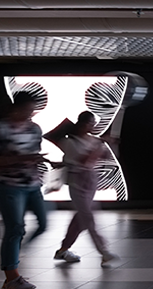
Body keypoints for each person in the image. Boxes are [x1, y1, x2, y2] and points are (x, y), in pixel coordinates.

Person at [0, 91, 48, 289]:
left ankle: (13, 253)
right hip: (7, 185)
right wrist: (17, 159)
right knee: (15, 227)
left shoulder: (34, 129)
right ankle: (11, 277)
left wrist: (39, 162)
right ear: (15, 108)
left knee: (43, 224)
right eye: (27, 110)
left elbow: (32, 155)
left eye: (32, 111)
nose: (30, 114)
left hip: (32, 184)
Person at [46, 111, 119, 266]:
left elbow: (107, 157)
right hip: (77, 183)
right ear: (82, 123)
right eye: (90, 123)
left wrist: (111, 143)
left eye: (93, 124)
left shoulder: (94, 140)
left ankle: (63, 250)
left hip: (90, 182)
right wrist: (99, 145)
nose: (92, 126)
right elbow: (84, 160)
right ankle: (104, 251)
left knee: (80, 220)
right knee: (89, 218)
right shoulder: (69, 141)